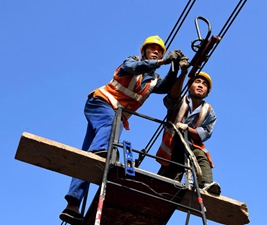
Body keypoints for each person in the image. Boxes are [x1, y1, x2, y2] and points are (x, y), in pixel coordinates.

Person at [59, 35, 184, 225]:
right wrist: (164, 61)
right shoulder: (132, 61)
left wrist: (175, 67)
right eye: (152, 49)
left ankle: (72, 204)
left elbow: (166, 86)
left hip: (114, 115)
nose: (156, 52)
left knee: (86, 156)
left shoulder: (152, 81)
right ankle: (103, 152)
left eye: (159, 50)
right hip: (101, 102)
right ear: (144, 52)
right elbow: (130, 69)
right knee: (107, 133)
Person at [156, 61, 221, 196]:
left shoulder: (208, 111)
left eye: (204, 85)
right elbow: (172, 96)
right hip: (172, 145)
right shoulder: (181, 100)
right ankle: (161, 189)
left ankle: (207, 185)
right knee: (169, 175)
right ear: (189, 85)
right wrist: (184, 73)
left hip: (191, 146)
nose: (200, 86)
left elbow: (204, 133)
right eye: (197, 82)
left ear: (207, 92)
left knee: (202, 157)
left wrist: (187, 129)